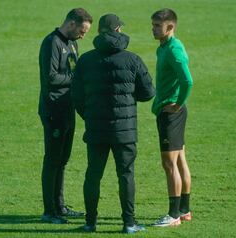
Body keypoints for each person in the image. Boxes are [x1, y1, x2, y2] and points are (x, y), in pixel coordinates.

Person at [71, 14, 155, 233]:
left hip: (96, 129)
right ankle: (129, 223)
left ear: (99, 32)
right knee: (126, 175)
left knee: (93, 174)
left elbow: (76, 96)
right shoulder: (132, 59)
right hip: (124, 133)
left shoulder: (86, 60)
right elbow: (148, 93)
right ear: (118, 30)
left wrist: (88, 115)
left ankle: (90, 222)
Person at [38, 8, 92, 224]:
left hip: (68, 109)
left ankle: (59, 206)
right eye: (82, 30)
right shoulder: (52, 43)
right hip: (53, 110)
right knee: (52, 160)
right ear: (71, 24)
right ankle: (49, 211)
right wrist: (77, 78)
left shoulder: (72, 43)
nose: (83, 35)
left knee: (62, 160)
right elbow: (50, 77)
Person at [150, 9, 194, 227]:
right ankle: (184, 210)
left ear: (171, 27)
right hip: (170, 110)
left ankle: (173, 214)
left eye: (158, 26)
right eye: (153, 25)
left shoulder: (173, 50)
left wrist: (177, 104)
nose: (153, 29)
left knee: (169, 164)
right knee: (179, 160)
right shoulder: (164, 47)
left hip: (171, 113)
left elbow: (188, 81)